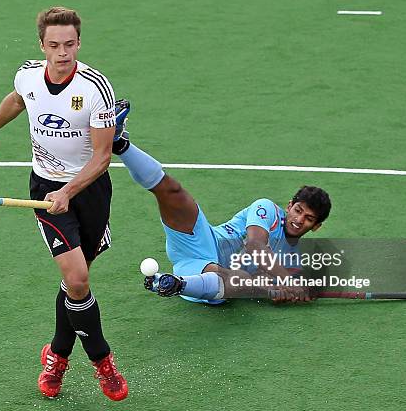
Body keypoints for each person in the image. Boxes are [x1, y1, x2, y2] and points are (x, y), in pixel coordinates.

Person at [0, 6, 128, 401]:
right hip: (44, 189)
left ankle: (56, 354)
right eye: (55, 45)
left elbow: (102, 157)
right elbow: (17, 99)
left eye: (70, 44)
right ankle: (102, 362)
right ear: (42, 44)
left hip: (88, 191)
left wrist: (68, 193)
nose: (63, 52)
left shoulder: (95, 88)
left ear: (79, 43)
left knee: (76, 283)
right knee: (77, 280)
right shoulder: (28, 75)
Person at [111, 105, 332, 304]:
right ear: (289, 205)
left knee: (239, 281)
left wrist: (277, 292)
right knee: (174, 192)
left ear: (316, 226)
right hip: (203, 239)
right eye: (298, 210)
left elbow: (259, 284)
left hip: (207, 274)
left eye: (309, 218)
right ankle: (120, 143)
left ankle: (173, 283)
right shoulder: (267, 210)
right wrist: (287, 282)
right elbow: (256, 246)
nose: (299, 219)